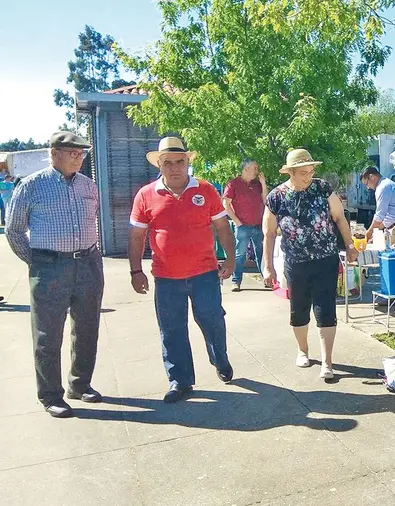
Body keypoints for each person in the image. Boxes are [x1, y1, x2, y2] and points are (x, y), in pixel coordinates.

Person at [128, 137, 236, 404]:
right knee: (172, 330)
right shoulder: (146, 194)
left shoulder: (206, 190)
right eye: (168, 163)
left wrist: (231, 260)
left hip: (204, 274)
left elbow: (223, 228)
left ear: (188, 162)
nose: (175, 167)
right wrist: (135, 271)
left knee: (212, 321)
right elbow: (136, 236)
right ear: (160, 165)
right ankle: (180, 380)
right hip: (166, 278)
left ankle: (219, 358)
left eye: (180, 162)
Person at [6, 132, 104, 418]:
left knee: (87, 328)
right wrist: (39, 263)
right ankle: (50, 395)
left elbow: (93, 218)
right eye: (72, 152)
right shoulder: (31, 186)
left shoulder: (89, 186)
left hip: (88, 263)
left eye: (82, 153)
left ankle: (80, 384)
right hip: (50, 267)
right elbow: (13, 230)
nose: (79, 157)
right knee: (48, 334)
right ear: (54, 154)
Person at [262, 149, 358, 380]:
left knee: (325, 309)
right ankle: (302, 350)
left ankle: (327, 361)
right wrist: (268, 266)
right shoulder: (276, 197)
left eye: (311, 171)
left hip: (326, 259)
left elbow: (339, 218)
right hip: (296, 263)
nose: (309, 176)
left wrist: (350, 245)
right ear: (291, 173)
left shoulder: (322, 189)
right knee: (299, 309)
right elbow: (268, 233)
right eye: (304, 172)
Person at [223, 159, 267, 292]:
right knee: (240, 254)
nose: (257, 171)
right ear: (246, 169)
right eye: (254, 168)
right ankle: (236, 281)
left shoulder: (257, 184)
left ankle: (266, 279)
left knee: (261, 252)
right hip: (242, 225)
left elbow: (266, 200)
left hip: (258, 224)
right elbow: (226, 204)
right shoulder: (233, 184)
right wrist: (237, 221)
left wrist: (264, 184)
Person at [360, 166, 395, 251]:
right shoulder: (385, 185)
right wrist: (375, 231)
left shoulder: (383, 187)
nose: (368, 187)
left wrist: (369, 233)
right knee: (391, 259)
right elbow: (387, 216)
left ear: (371, 177)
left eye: (366, 183)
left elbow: (380, 215)